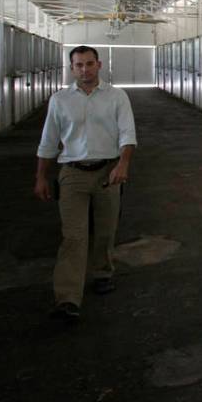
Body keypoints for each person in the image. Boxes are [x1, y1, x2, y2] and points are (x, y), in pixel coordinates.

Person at [34, 45, 137, 321]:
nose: (85, 70)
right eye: (79, 65)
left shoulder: (117, 97)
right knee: (74, 237)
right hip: (72, 174)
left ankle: (103, 272)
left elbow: (127, 133)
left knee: (105, 230)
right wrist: (41, 177)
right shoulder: (60, 100)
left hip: (108, 172)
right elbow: (48, 141)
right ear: (72, 68)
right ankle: (68, 299)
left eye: (89, 64)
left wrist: (123, 163)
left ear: (99, 65)